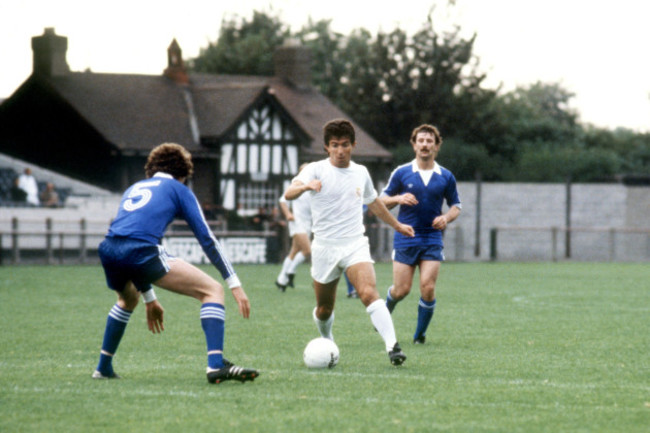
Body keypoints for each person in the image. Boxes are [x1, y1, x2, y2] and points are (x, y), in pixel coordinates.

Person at [93, 142, 259, 384]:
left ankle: (103, 367)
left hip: (109, 250)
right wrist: (234, 282)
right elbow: (207, 239)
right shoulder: (178, 189)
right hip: (139, 251)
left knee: (128, 299)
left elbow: (131, 248)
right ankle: (215, 366)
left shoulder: (135, 187)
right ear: (183, 174)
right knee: (212, 290)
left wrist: (150, 299)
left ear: (151, 169)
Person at [284, 119, 415, 366]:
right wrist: (305, 186)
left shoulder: (361, 172)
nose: (340, 151)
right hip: (324, 247)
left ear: (353, 145)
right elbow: (289, 193)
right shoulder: (315, 169)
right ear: (326, 147)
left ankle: (393, 347)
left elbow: (374, 203)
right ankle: (328, 341)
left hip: (355, 243)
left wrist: (397, 225)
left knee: (368, 293)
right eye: (334, 145)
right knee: (324, 309)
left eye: (345, 145)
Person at [380, 124, 461, 344]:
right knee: (401, 290)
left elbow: (456, 205)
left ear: (436, 146)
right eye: (421, 141)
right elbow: (381, 201)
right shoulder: (402, 172)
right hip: (406, 236)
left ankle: (419, 335)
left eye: (429, 141)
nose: (425, 145)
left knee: (428, 286)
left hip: (432, 237)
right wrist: (398, 199)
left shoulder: (446, 176)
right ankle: (384, 311)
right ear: (414, 144)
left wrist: (446, 218)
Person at [275, 163, 312, 292]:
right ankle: (290, 272)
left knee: (294, 252)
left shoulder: (311, 187)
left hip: (308, 224)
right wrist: (288, 214)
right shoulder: (296, 185)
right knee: (308, 251)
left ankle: (281, 280)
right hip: (297, 222)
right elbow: (283, 200)